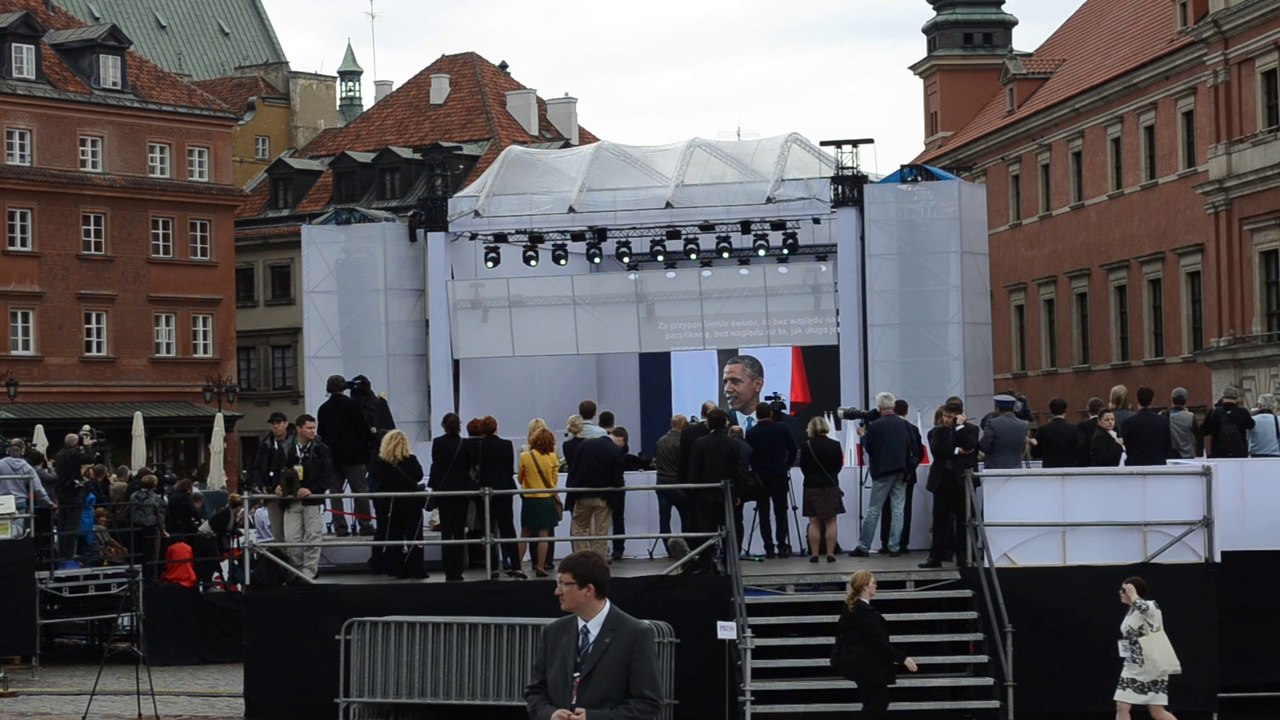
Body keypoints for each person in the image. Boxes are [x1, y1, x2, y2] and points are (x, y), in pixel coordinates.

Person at [523, 550, 662, 720]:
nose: (557, 592)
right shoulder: (553, 632)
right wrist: (549, 714)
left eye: (564, 584)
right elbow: (535, 692)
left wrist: (595, 718)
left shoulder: (635, 633)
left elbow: (647, 704)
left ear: (588, 589)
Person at [832, 571, 918, 719]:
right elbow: (879, 643)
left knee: (870, 703)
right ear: (865, 587)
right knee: (879, 703)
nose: (876, 585)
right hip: (869, 667)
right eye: (873, 583)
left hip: (859, 665)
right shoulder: (865, 613)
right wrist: (902, 658)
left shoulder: (851, 609)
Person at [919, 398, 980, 569]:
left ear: (959, 417)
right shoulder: (937, 431)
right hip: (942, 479)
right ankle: (935, 557)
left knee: (963, 519)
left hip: (961, 480)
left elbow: (971, 445)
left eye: (950, 417)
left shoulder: (971, 430)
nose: (946, 420)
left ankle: (962, 557)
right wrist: (957, 450)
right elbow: (937, 450)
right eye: (945, 416)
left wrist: (960, 429)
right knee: (940, 519)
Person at [851, 393, 910, 558]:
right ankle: (894, 546)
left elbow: (869, 448)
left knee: (874, 510)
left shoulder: (876, 425)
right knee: (898, 509)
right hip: (901, 469)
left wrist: (863, 436)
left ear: (879, 407)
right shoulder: (903, 424)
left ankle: (864, 546)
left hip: (883, 471)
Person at [316, 374, 374, 537]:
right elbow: (362, 431)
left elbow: (321, 435)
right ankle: (365, 524)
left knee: (335, 493)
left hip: (332, 458)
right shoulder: (353, 406)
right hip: (354, 457)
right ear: (344, 388)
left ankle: (340, 527)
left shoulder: (323, 409)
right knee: (361, 491)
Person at [276, 414, 332, 579]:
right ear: (299, 428)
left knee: (313, 536)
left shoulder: (322, 448)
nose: (312, 431)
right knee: (291, 538)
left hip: (312, 500)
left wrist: (312, 490)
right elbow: (275, 469)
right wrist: (277, 486)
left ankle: (308, 572)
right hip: (290, 500)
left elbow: (327, 475)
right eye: (308, 428)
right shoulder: (286, 447)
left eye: (314, 427)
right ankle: (296, 570)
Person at [1115, 577, 1179, 720]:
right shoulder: (1131, 612)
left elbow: (1144, 608)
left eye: (1124, 590)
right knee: (1121, 705)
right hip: (1132, 666)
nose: (1120, 592)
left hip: (1152, 665)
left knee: (1157, 712)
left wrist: (1133, 594)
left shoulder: (1151, 606)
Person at [688, 408, 744, 573]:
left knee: (706, 532)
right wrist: (739, 493)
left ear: (708, 423)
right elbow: (739, 471)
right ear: (726, 424)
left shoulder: (699, 443)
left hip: (705, 494)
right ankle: (730, 564)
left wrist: (693, 492)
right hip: (727, 494)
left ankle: (706, 566)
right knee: (730, 530)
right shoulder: (733, 443)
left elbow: (694, 471)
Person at [369, 429, 427, 579]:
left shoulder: (380, 462)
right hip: (410, 504)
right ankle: (416, 569)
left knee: (394, 538)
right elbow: (419, 475)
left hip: (390, 504)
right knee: (415, 537)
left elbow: (378, 480)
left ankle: (395, 569)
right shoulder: (410, 459)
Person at [746, 402, 798, 559]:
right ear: (770, 414)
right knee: (781, 511)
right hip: (779, 474)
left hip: (760, 477)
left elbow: (751, 456)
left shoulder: (752, 432)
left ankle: (768, 547)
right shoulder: (782, 428)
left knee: (763, 513)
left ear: (756, 415)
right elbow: (793, 449)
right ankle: (782, 545)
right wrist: (787, 465)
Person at [428, 413, 474, 582]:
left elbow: (436, 463)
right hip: (461, 491)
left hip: (444, 491)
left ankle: (448, 569)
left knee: (446, 532)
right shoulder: (465, 444)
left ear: (443, 425)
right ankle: (458, 570)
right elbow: (469, 465)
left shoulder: (438, 443)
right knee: (459, 531)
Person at [565, 427, 624, 558]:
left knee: (579, 530)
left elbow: (574, 470)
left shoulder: (585, 445)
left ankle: (581, 560)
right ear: (620, 439)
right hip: (604, 497)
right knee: (601, 533)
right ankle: (599, 563)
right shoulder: (616, 451)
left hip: (582, 495)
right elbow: (617, 480)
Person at [473, 416, 519, 577]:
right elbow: (509, 467)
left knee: (488, 530)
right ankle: (516, 564)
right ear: (496, 427)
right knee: (508, 527)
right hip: (504, 489)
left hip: (486, 489)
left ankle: (492, 566)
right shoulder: (507, 445)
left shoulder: (480, 447)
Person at [879, 399, 922, 554]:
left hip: (887, 474)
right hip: (907, 475)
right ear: (907, 411)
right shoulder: (913, 429)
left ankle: (886, 542)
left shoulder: (884, 427)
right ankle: (903, 543)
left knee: (887, 509)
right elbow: (919, 453)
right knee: (905, 509)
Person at [799, 416, 844, 563]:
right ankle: (830, 553)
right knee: (831, 520)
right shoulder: (835, 445)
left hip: (811, 485)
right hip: (830, 485)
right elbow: (838, 466)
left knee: (814, 521)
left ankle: (815, 554)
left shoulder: (806, 446)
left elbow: (803, 467)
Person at [519, 427, 561, 578]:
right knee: (544, 534)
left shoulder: (525, 456)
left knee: (525, 533)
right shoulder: (553, 457)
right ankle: (541, 567)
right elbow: (554, 481)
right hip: (546, 499)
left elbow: (520, 478)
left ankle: (518, 566)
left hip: (529, 499)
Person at [0, 437, 53, 536]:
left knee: (3, 527)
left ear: (9, 450)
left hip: (3, 501)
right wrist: (48, 502)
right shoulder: (27, 467)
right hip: (20, 501)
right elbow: (37, 487)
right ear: (22, 450)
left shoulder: (1, 464)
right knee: (19, 528)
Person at [652, 414, 687, 554]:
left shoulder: (660, 441)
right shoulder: (681, 443)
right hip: (676, 483)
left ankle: (669, 549)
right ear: (683, 426)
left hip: (661, 483)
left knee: (664, 518)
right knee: (686, 516)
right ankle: (687, 547)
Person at [1121, 386, 1171, 466]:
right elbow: (1167, 445)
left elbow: (1127, 446)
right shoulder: (1163, 421)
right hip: (1158, 465)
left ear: (1136, 399)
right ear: (1152, 400)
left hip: (1135, 465)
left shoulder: (1128, 422)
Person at [128, 474, 166, 581]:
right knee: (150, 554)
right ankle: (150, 578)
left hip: (135, 526)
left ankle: (136, 576)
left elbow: (128, 509)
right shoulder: (155, 498)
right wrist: (162, 529)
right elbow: (160, 515)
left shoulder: (133, 495)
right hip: (149, 527)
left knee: (137, 552)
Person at [1201, 386, 1254, 458]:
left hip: (1219, 454)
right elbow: (1251, 425)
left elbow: (1204, 431)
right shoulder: (1243, 412)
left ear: (1223, 397)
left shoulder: (1214, 412)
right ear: (1236, 398)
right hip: (1239, 455)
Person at [979, 394, 1029, 469]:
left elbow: (984, 446)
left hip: (995, 467)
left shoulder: (992, 423)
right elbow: (1023, 448)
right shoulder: (1023, 425)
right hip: (1016, 467)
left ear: (997, 408)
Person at [1030, 397, 1079, 468]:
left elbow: (1035, 453)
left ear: (1050, 411)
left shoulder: (1042, 430)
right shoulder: (1073, 429)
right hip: (1069, 468)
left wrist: (1033, 444)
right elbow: (1077, 451)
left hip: (1049, 469)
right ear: (1065, 410)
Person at [722, 354, 765, 428]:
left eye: (735, 381)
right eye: (725, 382)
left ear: (758, 384)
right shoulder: (717, 426)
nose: (727, 389)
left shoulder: (786, 425)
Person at [1167, 388, 1199, 459]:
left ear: (1172, 399)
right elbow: (1198, 436)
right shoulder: (1190, 417)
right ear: (1186, 401)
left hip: (1171, 457)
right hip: (1188, 456)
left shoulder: (1165, 416)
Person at [1247, 393, 1280, 457]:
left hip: (1256, 456)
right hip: (1274, 456)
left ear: (1259, 405)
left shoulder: (1252, 420)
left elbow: (1248, 438)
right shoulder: (1278, 420)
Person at [1077, 397, 1107, 466]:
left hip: (1088, 464)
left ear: (1088, 409)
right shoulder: (1108, 426)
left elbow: (1082, 446)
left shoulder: (1083, 426)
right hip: (1106, 464)